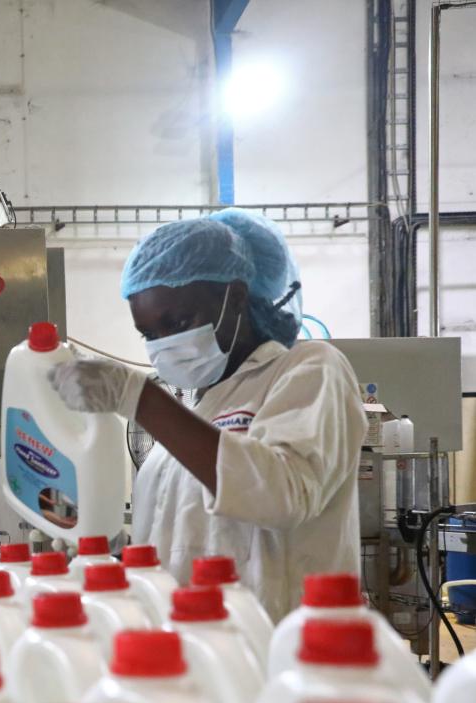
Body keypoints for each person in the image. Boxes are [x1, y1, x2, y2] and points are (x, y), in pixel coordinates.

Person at [47, 209, 365, 621]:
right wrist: (112, 553)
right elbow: (183, 542)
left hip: (274, 648)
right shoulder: (196, 416)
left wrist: (137, 397)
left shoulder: (310, 369)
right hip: (192, 649)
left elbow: (282, 495)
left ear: (234, 297)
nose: (165, 344)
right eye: (149, 334)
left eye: (178, 321)